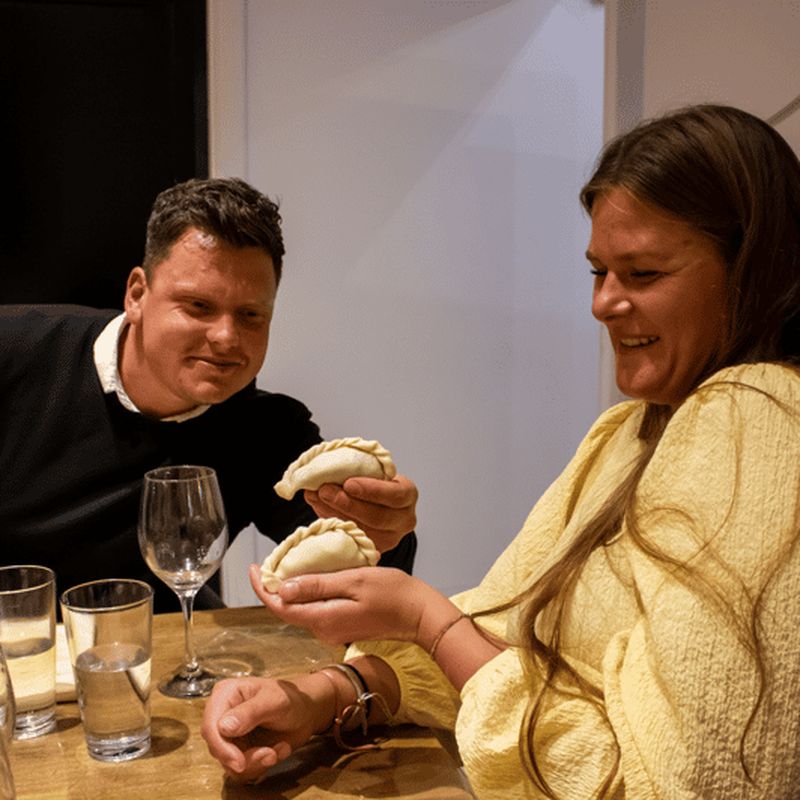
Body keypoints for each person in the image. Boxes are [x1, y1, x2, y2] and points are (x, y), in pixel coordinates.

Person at [201, 104, 800, 799]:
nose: (604, 303)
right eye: (598, 272)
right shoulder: (632, 430)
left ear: (753, 270)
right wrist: (328, 694)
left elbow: (681, 782)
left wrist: (424, 618)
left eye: (642, 273)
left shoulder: (758, 417)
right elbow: (510, 632)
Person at [0, 177, 418, 613]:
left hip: (160, 653)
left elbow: (364, 571)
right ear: (137, 294)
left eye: (250, 315)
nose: (225, 337)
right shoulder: (15, 355)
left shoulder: (263, 431)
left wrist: (387, 530)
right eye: (198, 306)